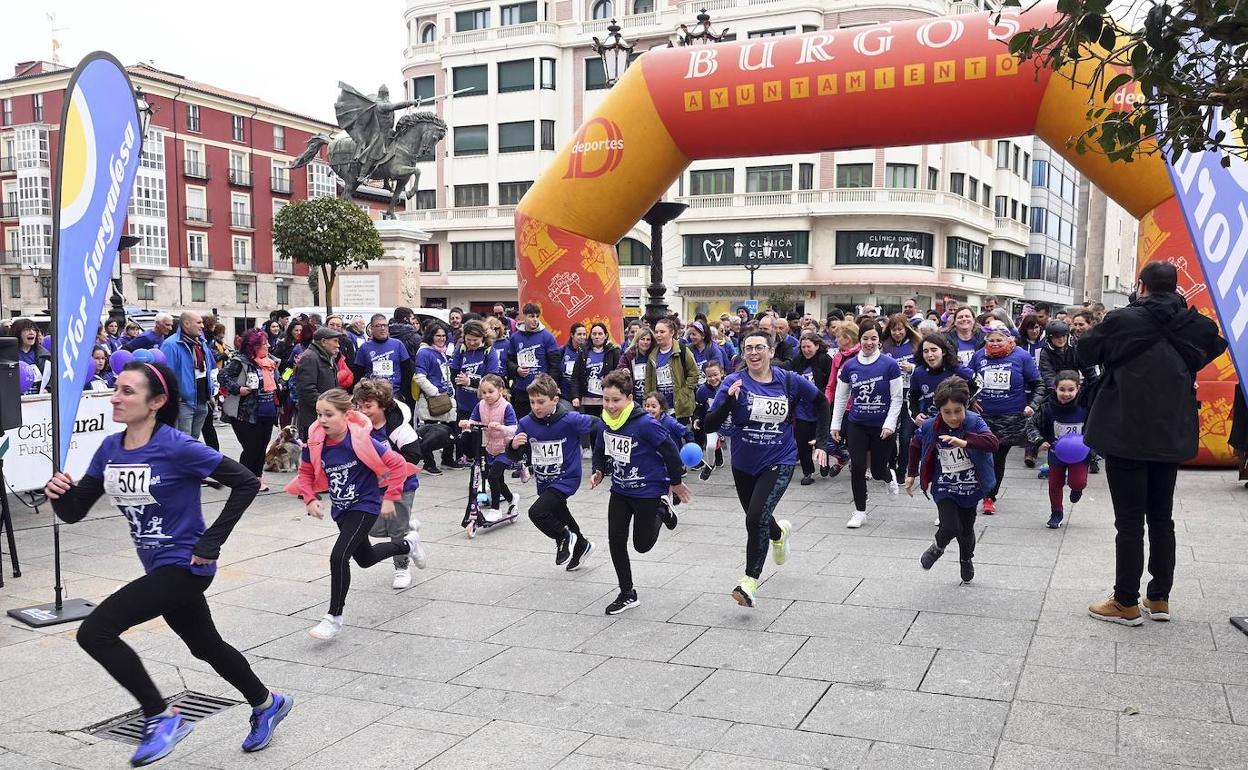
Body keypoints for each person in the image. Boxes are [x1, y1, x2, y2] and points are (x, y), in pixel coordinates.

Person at [44, 361, 293, 765]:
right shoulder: (110, 448)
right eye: (116, 389)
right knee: (204, 646)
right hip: (158, 567)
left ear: (156, 401)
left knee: (96, 632)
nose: (115, 397)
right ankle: (268, 703)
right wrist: (58, 493)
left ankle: (162, 717)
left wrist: (211, 542)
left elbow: (248, 481)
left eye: (127, 391)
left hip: (186, 566)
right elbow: (74, 512)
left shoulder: (178, 445)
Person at [1076, 261, 1226, 626]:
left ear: (1141, 286)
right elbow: (1213, 344)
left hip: (1124, 430)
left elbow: (1083, 354)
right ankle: (1158, 598)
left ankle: (1125, 601)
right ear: (1176, 289)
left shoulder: (1122, 319)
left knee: (1129, 521)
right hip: (1170, 431)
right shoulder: (1194, 324)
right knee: (1162, 517)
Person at [703, 330, 828, 606]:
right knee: (759, 517)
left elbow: (821, 402)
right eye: (748, 348)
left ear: (771, 351)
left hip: (779, 459)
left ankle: (749, 582)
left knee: (754, 517)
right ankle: (778, 533)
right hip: (744, 463)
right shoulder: (733, 381)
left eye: (760, 347)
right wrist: (728, 403)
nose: (754, 353)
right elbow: (710, 424)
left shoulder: (789, 381)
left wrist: (822, 440)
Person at [289, 388, 419, 639]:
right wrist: (310, 498)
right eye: (319, 414)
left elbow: (398, 465)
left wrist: (391, 498)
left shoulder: (360, 440)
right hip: (342, 509)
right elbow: (304, 473)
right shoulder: (315, 443)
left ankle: (334, 617)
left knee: (339, 557)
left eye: (328, 414)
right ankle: (406, 545)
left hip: (365, 504)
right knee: (365, 558)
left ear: (346, 415)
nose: (322, 420)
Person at [591, 370, 691, 615]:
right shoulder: (605, 420)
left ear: (628, 398)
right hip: (621, 491)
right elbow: (600, 445)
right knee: (616, 540)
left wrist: (676, 483)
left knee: (642, 545)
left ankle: (662, 508)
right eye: (606, 399)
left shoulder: (645, 423)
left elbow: (670, 452)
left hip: (648, 492)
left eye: (616, 400)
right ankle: (627, 593)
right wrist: (599, 470)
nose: (610, 405)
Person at [905, 376, 999, 583]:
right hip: (944, 486)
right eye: (947, 412)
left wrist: (964, 442)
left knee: (966, 530)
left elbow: (993, 443)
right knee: (950, 526)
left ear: (965, 407)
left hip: (971, 487)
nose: (953, 417)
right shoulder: (931, 426)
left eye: (958, 411)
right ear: (939, 410)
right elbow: (915, 445)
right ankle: (938, 547)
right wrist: (912, 474)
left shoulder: (975, 422)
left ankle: (966, 559)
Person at [510, 374, 598, 569]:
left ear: (555, 400)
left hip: (567, 477)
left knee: (537, 512)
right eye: (532, 402)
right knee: (559, 512)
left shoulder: (570, 419)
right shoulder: (526, 423)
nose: (536, 407)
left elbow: (599, 424)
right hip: (544, 480)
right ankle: (582, 544)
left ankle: (563, 537)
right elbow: (516, 454)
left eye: (541, 402)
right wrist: (514, 446)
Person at [354, 379, 428, 589]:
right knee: (374, 529)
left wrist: (390, 467)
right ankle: (410, 532)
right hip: (374, 486)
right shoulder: (360, 428)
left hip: (402, 484)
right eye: (360, 406)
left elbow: (414, 455)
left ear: (383, 404)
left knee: (396, 530)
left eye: (368, 406)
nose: (363, 411)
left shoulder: (396, 426)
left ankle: (402, 568)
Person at [831, 322, 904, 528]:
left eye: (873, 338)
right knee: (858, 467)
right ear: (859, 340)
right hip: (857, 424)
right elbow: (841, 396)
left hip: (882, 426)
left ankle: (889, 476)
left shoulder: (889, 365)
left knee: (879, 470)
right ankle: (860, 511)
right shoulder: (850, 366)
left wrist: (890, 424)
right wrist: (835, 425)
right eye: (865, 338)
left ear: (879, 340)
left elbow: (897, 398)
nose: (869, 342)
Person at [968, 324, 1045, 515]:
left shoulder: (1021, 356)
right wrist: (971, 398)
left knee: (997, 457)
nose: (994, 343)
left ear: (1009, 340)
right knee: (980, 456)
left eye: (999, 340)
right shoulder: (979, 356)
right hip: (982, 417)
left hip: (1010, 418)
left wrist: (1032, 405)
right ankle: (977, 489)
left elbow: (1039, 384)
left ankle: (989, 497)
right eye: (991, 340)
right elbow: (966, 380)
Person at [1025, 370, 1089, 529]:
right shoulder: (1047, 407)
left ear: (1078, 389)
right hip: (1056, 453)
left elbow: (1098, 427)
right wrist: (1039, 441)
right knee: (1054, 483)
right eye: (1062, 390)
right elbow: (1030, 425)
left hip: (1080, 455)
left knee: (1078, 481)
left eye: (1070, 390)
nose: (1066, 394)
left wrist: (1092, 444)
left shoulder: (1086, 406)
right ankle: (1056, 513)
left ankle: (1077, 489)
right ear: (1055, 388)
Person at [218, 329, 280, 491]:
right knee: (252, 447)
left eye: (267, 342)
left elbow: (278, 380)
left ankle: (256, 478)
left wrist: (282, 385)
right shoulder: (241, 361)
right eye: (263, 343)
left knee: (262, 446)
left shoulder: (271, 361)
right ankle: (243, 480)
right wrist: (238, 388)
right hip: (246, 412)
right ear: (253, 346)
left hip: (268, 411)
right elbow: (223, 376)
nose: (267, 346)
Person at [461, 374, 519, 519]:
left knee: (492, 477)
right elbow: (473, 420)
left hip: (506, 448)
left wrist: (500, 427)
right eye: (484, 392)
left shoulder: (506, 407)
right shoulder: (480, 405)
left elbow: (514, 428)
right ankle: (512, 499)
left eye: (490, 391)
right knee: (498, 479)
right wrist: (467, 425)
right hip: (489, 446)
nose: (487, 396)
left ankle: (495, 509)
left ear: (500, 390)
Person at [451, 320, 504, 462]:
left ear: (483, 338)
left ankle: (481, 457)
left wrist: (471, 382)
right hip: (463, 401)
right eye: (468, 339)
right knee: (463, 432)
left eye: (475, 340)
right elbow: (454, 373)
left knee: (479, 434)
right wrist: (459, 381)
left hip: (482, 402)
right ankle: (462, 457)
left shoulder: (489, 352)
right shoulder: (460, 350)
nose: (471, 343)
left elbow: (492, 379)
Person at [160, 311, 216, 439]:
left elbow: (207, 370)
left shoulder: (201, 343)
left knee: (193, 441)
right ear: (186, 323)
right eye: (199, 322)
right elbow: (166, 375)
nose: (202, 326)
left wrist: (210, 393)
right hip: (184, 403)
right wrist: (175, 398)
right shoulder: (171, 345)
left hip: (202, 401)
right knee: (182, 442)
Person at [785, 332, 833, 485]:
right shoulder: (797, 360)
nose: (806, 350)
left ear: (817, 346)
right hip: (801, 408)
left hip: (819, 406)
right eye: (803, 347)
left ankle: (824, 463)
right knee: (803, 441)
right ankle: (808, 471)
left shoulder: (825, 359)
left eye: (809, 347)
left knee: (820, 438)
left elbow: (830, 383)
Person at [881, 314, 921, 486]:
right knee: (888, 433)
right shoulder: (885, 346)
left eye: (900, 329)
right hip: (890, 395)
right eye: (894, 329)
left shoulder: (916, 346)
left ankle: (902, 469)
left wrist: (911, 368)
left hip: (909, 396)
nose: (897, 333)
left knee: (905, 436)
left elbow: (925, 367)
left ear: (906, 329)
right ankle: (891, 463)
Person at [414, 321, 459, 469]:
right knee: (430, 434)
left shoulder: (442, 351)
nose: (441, 339)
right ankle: (429, 463)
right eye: (437, 336)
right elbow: (419, 377)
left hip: (446, 398)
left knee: (450, 429)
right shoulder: (424, 352)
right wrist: (435, 392)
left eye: (443, 336)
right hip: (432, 400)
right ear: (430, 336)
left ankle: (447, 459)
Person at [909, 334, 978, 426]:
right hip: (932, 421)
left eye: (934, 350)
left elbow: (978, 382)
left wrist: (968, 400)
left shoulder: (956, 369)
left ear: (943, 352)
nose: (930, 354)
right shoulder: (918, 373)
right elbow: (912, 398)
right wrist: (916, 415)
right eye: (925, 351)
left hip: (958, 421)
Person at [570, 322, 620, 449]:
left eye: (600, 334)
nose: (597, 336)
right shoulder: (583, 352)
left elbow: (618, 375)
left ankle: (608, 451)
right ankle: (594, 452)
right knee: (592, 428)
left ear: (606, 335)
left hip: (606, 399)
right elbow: (575, 376)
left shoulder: (613, 352)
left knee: (607, 426)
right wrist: (576, 396)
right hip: (588, 400)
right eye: (594, 334)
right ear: (590, 336)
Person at [508, 303, 561, 419]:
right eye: (531, 316)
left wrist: (550, 386)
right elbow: (509, 361)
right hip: (522, 390)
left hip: (541, 390)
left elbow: (555, 364)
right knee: (523, 421)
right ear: (524, 317)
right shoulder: (515, 337)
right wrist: (516, 370)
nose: (535, 320)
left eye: (537, 316)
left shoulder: (547, 336)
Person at [645, 318, 698, 423]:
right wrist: (648, 399)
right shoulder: (652, 355)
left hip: (680, 408)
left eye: (662, 332)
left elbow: (694, 374)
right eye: (656, 332)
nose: (658, 335)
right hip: (659, 408)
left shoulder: (683, 350)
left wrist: (684, 392)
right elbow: (648, 380)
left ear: (672, 333)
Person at [294, 327, 343, 441]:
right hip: (313, 419)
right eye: (335, 341)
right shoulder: (310, 358)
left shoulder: (326, 357)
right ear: (323, 342)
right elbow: (307, 390)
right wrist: (328, 408)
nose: (338, 345)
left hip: (325, 417)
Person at [356, 312, 413, 404]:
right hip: (373, 394)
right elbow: (358, 373)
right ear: (371, 328)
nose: (382, 328)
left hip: (394, 393)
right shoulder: (364, 348)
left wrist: (403, 392)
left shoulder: (398, 344)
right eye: (378, 326)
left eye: (384, 325)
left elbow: (407, 371)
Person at [693, 359, 728, 481]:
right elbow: (699, 408)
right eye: (709, 376)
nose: (713, 379)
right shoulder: (702, 391)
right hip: (712, 422)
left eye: (715, 375)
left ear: (722, 373)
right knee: (710, 446)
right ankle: (710, 465)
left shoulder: (728, 386)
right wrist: (697, 419)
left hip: (729, 422)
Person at [12, 318, 51, 394]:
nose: (32, 332)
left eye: (33, 329)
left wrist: (48, 389)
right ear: (17, 333)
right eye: (27, 330)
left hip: (38, 399)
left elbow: (53, 377)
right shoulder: (8, 355)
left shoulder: (45, 355)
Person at [619, 327, 655, 406]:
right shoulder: (628, 355)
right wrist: (624, 371)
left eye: (648, 339)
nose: (645, 342)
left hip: (651, 400)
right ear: (637, 340)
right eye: (642, 339)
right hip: (634, 399)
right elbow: (619, 369)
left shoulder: (655, 356)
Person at [559, 323, 587, 399]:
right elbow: (556, 370)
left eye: (584, 334)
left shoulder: (588, 352)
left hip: (582, 395)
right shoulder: (563, 350)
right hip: (565, 395)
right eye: (579, 334)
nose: (582, 337)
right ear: (572, 335)